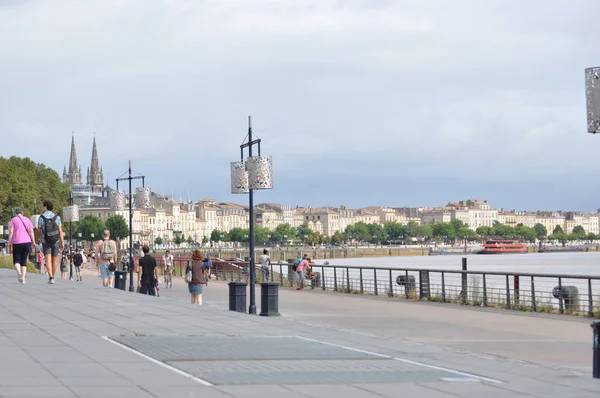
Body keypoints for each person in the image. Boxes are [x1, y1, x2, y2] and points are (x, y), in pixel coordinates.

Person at [36, 200, 64, 284]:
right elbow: (60, 230)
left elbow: (38, 230)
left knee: (47, 260)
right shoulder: (57, 217)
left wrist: (36, 239)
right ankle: (54, 276)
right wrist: (62, 242)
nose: (41, 207)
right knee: (54, 260)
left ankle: (51, 277)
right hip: (55, 241)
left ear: (46, 207)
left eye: (42, 206)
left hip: (46, 241)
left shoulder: (41, 217)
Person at [8, 208, 35, 284]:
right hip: (27, 242)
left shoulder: (13, 220)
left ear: (15, 213)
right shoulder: (27, 220)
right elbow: (31, 232)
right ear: (22, 213)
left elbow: (11, 231)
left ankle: (19, 272)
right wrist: (33, 241)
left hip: (17, 242)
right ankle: (23, 279)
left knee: (16, 260)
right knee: (24, 261)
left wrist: (9, 241)